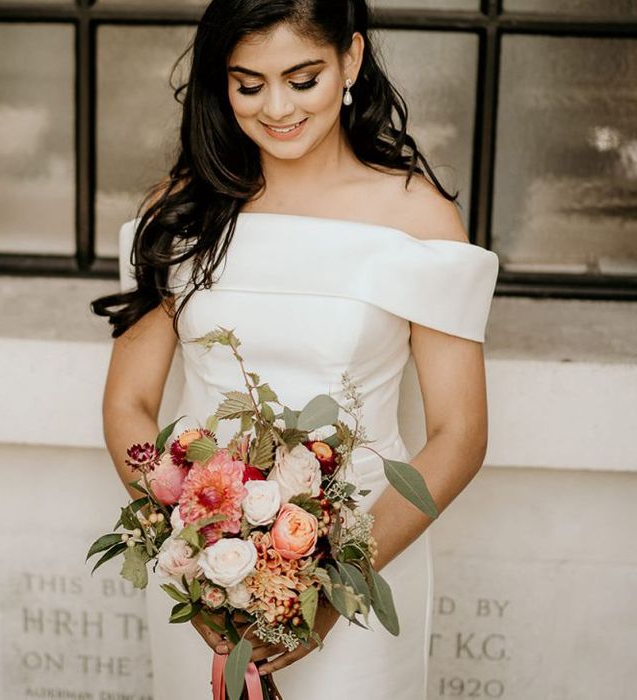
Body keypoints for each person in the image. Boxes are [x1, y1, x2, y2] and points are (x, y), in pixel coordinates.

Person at [90, 0, 499, 697]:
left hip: (367, 560)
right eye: (248, 84)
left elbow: (459, 434)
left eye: (301, 79)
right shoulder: (181, 212)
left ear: (351, 60)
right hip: (207, 583)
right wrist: (193, 557)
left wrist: (335, 591)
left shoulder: (419, 218)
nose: (275, 107)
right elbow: (127, 404)